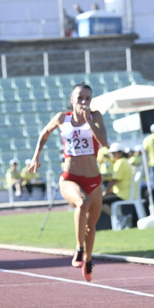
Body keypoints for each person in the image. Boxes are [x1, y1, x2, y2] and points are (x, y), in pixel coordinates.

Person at [28, 81, 108, 283]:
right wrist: (35, 156)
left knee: (92, 225)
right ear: (72, 100)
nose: (84, 102)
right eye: (80, 98)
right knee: (83, 203)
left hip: (94, 180)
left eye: (87, 99)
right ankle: (79, 248)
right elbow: (44, 133)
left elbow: (104, 142)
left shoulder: (95, 116)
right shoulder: (62, 118)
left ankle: (88, 260)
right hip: (70, 178)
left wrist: (88, 121)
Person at [101, 143, 135, 221]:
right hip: (124, 193)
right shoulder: (123, 161)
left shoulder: (120, 163)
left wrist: (105, 192)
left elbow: (114, 180)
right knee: (103, 200)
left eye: (113, 153)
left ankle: (121, 218)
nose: (111, 155)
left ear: (120, 153)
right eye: (110, 153)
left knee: (100, 202)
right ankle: (121, 217)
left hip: (123, 194)